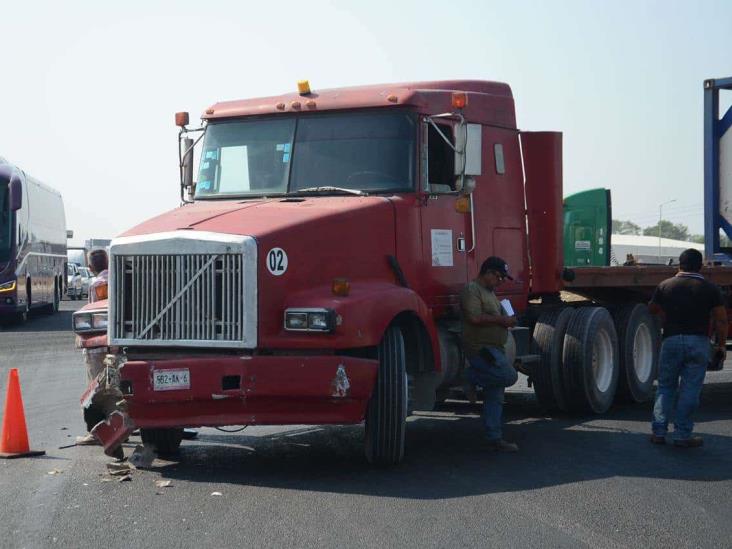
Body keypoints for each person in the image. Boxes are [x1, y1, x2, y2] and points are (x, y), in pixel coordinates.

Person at [648, 248, 727, 448]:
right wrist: (720, 345)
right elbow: (721, 319)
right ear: (700, 266)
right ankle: (682, 434)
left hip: (671, 341)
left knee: (665, 387)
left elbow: (653, 309)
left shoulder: (665, 285)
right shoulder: (710, 288)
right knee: (690, 388)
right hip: (698, 342)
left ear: (679, 265)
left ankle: (658, 432)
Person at [460, 256, 519, 452]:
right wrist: (502, 321)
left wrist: (509, 319)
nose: (501, 280)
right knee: (509, 376)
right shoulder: (472, 290)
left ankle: (494, 438)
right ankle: (468, 377)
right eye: (499, 276)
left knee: (495, 393)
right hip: (481, 349)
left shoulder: (491, 293)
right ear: (488, 272)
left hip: (495, 348)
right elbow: (474, 317)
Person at [76, 249, 113, 445]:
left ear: (90, 267)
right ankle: (118, 426)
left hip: (97, 346)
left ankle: (97, 433)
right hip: (114, 346)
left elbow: (93, 313)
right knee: (114, 387)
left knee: (95, 390)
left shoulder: (96, 284)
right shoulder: (117, 279)